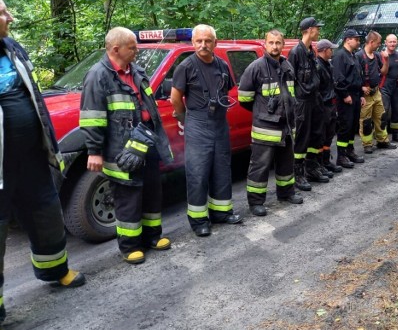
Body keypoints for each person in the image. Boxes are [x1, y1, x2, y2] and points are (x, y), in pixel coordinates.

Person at [0, 0, 85, 330]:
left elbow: (32, 96)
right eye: (2, 11)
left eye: (7, 8)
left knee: (46, 212)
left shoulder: (12, 47)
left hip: (32, 156)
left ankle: (55, 270)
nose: (10, 15)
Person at [82, 27, 173, 263]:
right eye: (132, 47)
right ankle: (130, 246)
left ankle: (153, 237)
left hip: (146, 143)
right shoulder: (97, 76)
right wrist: (94, 151)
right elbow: (92, 117)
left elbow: (149, 107)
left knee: (152, 191)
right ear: (115, 49)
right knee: (128, 197)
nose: (137, 50)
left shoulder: (138, 72)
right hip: (120, 149)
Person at [170, 24, 243, 237]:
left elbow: (226, 91)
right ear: (193, 43)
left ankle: (221, 213)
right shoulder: (185, 67)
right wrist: (186, 119)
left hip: (220, 124)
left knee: (222, 169)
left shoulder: (221, 65)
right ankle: (198, 219)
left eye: (207, 41)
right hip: (197, 126)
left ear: (215, 43)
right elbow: (175, 98)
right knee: (198, 173)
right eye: (199, 41)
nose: (203, 45)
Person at [238, 30, 303, 216]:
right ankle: (256, 202)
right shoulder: (256, 68)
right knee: (260, 167)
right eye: (271, 42)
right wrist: (263, 111)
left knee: (286, 163)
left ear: (283, 45)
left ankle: (286, 193)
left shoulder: (287, 66)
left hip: (286, 126)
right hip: (265, 128)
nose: (275, 46)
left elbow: (292, 94)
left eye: (278, 43)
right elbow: (244, 98)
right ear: (265, 44)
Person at [288, 17, 328, 189]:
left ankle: (312, 168)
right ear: (310, 30)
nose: (318, 31)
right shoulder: (296, 52)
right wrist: (294, 104)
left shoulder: (311, 50)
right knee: (302, 138)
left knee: (316, 134)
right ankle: (298, 174)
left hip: (314, 99)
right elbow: (290, 81)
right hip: (302, 102)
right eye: (317, 28)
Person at [357, 31, 396, 154]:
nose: (379, 46)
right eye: (378, 43)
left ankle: (382, 140)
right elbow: (355, 76)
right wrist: (361, 88)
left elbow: (384, 72)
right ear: (371, 42)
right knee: (366, 121)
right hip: (366, 95)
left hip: (376, 92)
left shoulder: (377, 55)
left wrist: (386, 60)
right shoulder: (359, 56)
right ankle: (367, 144)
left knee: (381, 117)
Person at [332, 29, 366, 168]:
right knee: (345, 126)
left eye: (358, 39)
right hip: (346, 97)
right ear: (347, 40)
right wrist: (345, 95)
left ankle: (350, 151)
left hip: (356, 96)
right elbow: (338, 78)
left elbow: (358, 76)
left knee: (353, 126)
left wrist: (362, 95)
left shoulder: (354, 56)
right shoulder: (340, 55)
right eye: (356, 39)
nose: (358, 42)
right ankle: (341, 156)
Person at [315, 39, 342, 174]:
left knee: (329, 136)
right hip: (323, 107)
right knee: (320, 137)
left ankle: (326, 162)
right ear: (325, 50)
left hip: (331, 105)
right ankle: (318, 164)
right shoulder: (317, 66)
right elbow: (317, 90)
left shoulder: (328, 65)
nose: (332, 51)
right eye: (331, 49)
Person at [380, 34, 398, 143]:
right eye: (390, 42)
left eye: (394, 41)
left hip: (397, 86)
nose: (392, 44)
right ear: (385, 43)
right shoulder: (380, 55)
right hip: (384, 86)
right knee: (384, 111)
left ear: (397, 42)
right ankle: (382, 136)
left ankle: (397, 135)